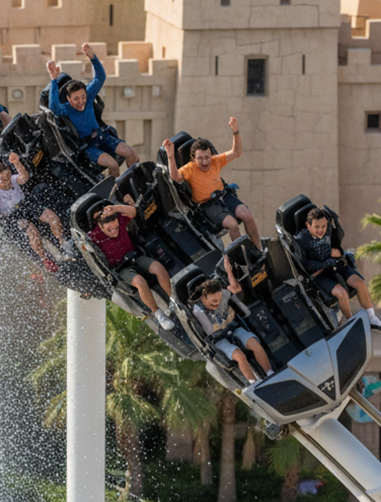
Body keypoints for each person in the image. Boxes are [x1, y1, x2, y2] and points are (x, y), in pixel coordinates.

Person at [164, 117, 261, 248]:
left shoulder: (215, 161)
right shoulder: (189, 169)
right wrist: (170, 156)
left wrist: (236, 132)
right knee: (232, 224)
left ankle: (259, 250)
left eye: (207, 157)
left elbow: (236, 152)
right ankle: (243, 258)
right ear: (193, 158)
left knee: (247, 215)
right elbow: (175, 176)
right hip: (208, 204)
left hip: (224, 196)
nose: (205, 162)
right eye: (200, 158)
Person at [294, 207, 381, 333]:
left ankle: (372, 319)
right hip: (319, 272)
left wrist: (337, 252)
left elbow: (337, 244)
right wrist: (325, 262)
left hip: (335, 264)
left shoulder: (329, 229)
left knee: (360, 283)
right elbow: (303, 264)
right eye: (317, 227)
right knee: (342, 293)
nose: (321, 230)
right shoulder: (301, 239)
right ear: (308, 226)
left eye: (323, 226)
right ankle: (350, 323)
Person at [46, 43, 138, 176]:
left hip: (103, 136)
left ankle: (136, 180)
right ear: (69, 99)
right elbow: (54, 107)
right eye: (76, 99)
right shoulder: (65, 109)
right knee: (113, 165)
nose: (81, 101)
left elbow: (100, 78)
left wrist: (93, 58)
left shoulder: (88, 97)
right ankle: (116, 192)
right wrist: (54, 80)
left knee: (130, 153)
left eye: (82, 97)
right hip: (88, 146)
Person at [0, 153, 72, 272]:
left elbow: (24, 177)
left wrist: (17, 163)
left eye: (8, 176)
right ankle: (44, 258)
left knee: (52, 217)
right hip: (14, 216)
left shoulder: (13, 179)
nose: (7, 181)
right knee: (33, 231)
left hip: (26, 205)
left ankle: (64, 242)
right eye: (2, 180)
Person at [88, 200, 176, 330]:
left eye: (116, 227)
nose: (114, 231)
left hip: (135, 256)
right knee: (140, 282)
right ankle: (158, 313)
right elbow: (83, 245)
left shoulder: (121, 220)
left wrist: (115, 208)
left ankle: (174, 301)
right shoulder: (95, 236)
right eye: (109, 229)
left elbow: (133, 212)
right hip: (122, 268)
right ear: (100, 227)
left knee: (158, 267)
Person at [192, 258, 273, 384]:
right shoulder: (198, 311)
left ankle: (270, 373)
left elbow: (236, 300)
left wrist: (244, 311)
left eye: (218, 299)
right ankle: (254, 382)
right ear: (204, 298)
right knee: (240, 356)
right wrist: (225, 320)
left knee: (254, 343)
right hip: (218, 339)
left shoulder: (223, 294)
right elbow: (209, 331)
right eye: (213, 301)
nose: (217, 303)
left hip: (233, 328)